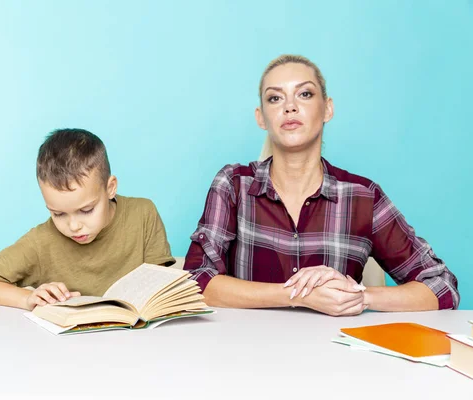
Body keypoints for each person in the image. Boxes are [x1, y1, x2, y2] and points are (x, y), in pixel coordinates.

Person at [183, 55, 459, 315]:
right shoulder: (233, 185)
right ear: (261, 118)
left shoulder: (363, 197)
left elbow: (442, 285)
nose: (289, 106)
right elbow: (196, 282)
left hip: (335, 356)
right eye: (275, 98)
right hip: (245, 353)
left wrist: (358, 295)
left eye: (304, 94)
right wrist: (298, 294)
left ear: (327, 108)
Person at [0, 128, 175, 310]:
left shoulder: (143, 214)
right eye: (58, 214)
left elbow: (161, 288)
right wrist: (28, 298)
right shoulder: (42, 241)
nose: (74, 226)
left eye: (86, 210)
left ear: (110, 188)